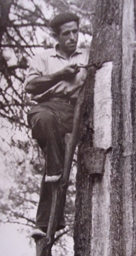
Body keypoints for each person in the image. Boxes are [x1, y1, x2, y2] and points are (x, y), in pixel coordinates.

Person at [24, 12, 89, 238]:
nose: (72, 37)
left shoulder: (87, 56)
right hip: (46, 107)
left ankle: (44, 225)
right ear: (56, 36)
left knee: (56, 160)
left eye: (75, 31)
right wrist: (59, 74)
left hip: (73, 112)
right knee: (43, 120)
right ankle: (55, 170)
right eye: (66, 33)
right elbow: (30, 87)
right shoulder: (43, 58)